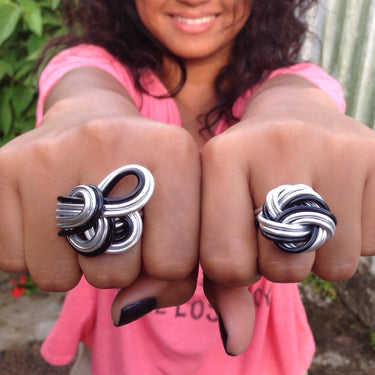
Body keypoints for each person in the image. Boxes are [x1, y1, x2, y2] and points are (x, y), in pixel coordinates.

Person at [0, 0, 374, 374]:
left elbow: (298, 97)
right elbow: (81, 89)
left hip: (256, 358)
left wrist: (296, 118)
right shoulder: (92, 66)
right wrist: (86, 117)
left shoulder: (295, 80)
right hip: (120, 352)